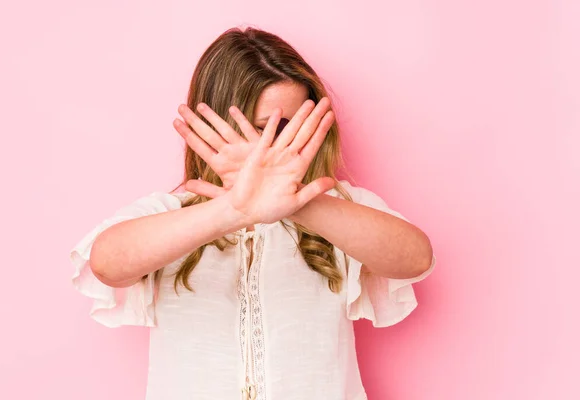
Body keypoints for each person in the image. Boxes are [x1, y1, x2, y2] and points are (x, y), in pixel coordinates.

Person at [70, 26, 436, 400]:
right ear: (217, 126)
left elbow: (415, 258)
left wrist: (297, 201)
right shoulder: (171, 212)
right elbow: (107, 263)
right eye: (266, 129)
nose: (285, 146)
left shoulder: (337, 206)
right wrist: (232, 210)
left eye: (296, 129)